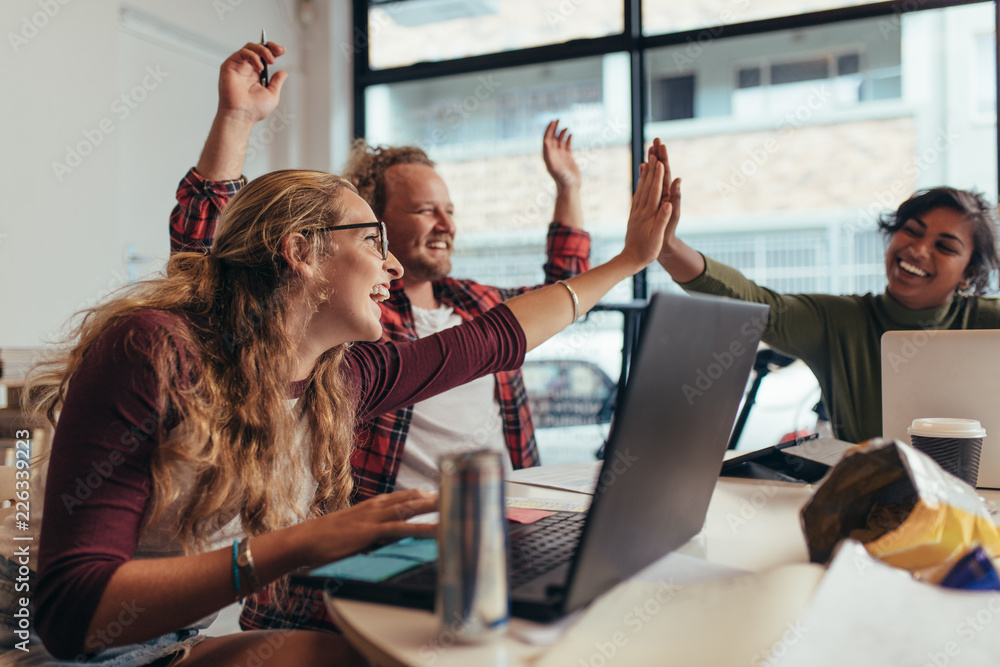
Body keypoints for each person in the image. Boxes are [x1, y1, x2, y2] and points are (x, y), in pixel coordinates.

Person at [2, 144, 674, 664]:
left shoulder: (336, 376)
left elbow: (496, 338)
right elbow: (67, 613)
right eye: (372, 240)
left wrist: (629, 260)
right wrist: (297, 544)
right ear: (300, 252)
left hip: (169, 639)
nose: (390, 267)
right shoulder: (152, 350)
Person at [169, 41, 591, 631]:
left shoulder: (476, 303)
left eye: (448, 209)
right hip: (372, 562)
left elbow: (560, 297)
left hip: (494, 537)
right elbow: (210, 260)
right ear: (374, 224)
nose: (444, 223)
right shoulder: (346, 323)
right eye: (423, 211)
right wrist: (235, 120)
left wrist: (568, 190)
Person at [652, 139, 1000, 444]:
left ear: (969, 274)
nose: (919, 250)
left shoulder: (987, 322)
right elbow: (753, 300)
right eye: (912, 230)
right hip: (872, 506)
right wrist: (666, 247)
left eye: (945, 246)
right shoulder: (837, 321)